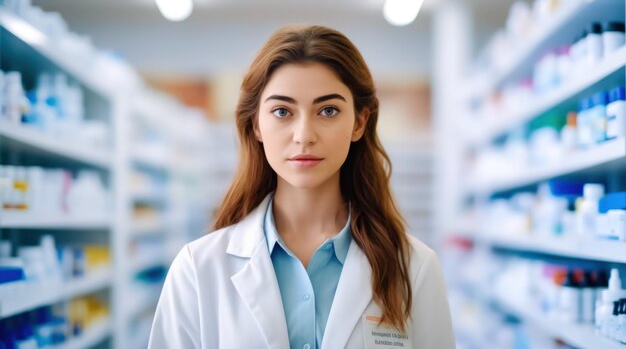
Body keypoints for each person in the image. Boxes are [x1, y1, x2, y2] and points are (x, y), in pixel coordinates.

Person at [148, 25, 455, 349]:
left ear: (359, 123)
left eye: (328, 111)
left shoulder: (414, 269)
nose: (304, 134)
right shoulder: (198, 269)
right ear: (256, 124)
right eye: (282, 111)